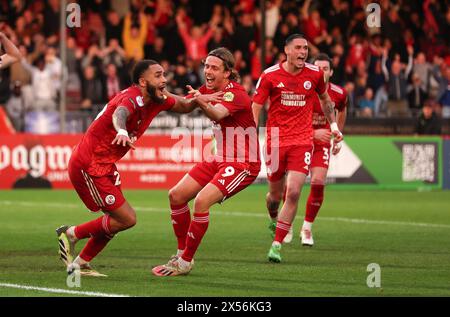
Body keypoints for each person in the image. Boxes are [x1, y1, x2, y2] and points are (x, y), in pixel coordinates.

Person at [56, 59, 222, 277]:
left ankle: (80, 264)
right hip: (89, 164)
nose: (164, 79)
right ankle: (71, 234)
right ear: (143, 82)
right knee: (126, 219)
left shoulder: (158, 98)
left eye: (164, 75)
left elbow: (183, 105)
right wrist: (122, 131)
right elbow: (120, 114)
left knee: (114, 220)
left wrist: (200, 100)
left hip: (105, 165)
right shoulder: (132, 97)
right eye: (158, 75)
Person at [152, 47, 261, 277]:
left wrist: (201, 100)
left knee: (201, 202)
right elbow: (184, 104)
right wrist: (160, 94)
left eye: (214, 67)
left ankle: (185, 262)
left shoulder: (236, 94)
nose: (208, 71)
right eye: (206, 66)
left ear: (227, 73)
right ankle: (181, 252)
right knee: (176, 195)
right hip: (218, 158)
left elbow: (217, 114)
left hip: (243, 163)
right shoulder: (206, 89)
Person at [251, 34, 343, 263]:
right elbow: (255, 108)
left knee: (292, 192)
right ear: (287, 50)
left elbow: (325, 101)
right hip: (275, 140)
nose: (303, 52)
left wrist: (333, 125)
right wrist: (251, 137)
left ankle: (277, 244)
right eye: (298, 48)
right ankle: (274, 218)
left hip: (302, 141)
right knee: (274, 196)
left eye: (305, 48)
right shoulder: (269, 76)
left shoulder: (314, 74)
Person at [298, 53, 348, 246]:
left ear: (331, 72)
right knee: (292, 187)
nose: (321, 72)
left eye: (325, 68)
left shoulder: (339, 93)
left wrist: (338, 135)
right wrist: (312, 134)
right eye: (317, 68)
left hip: (322, 143)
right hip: (300, 140)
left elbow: (342, 109)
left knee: (318, 182)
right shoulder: (303, 91)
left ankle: (307, 228)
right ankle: (285, 225)